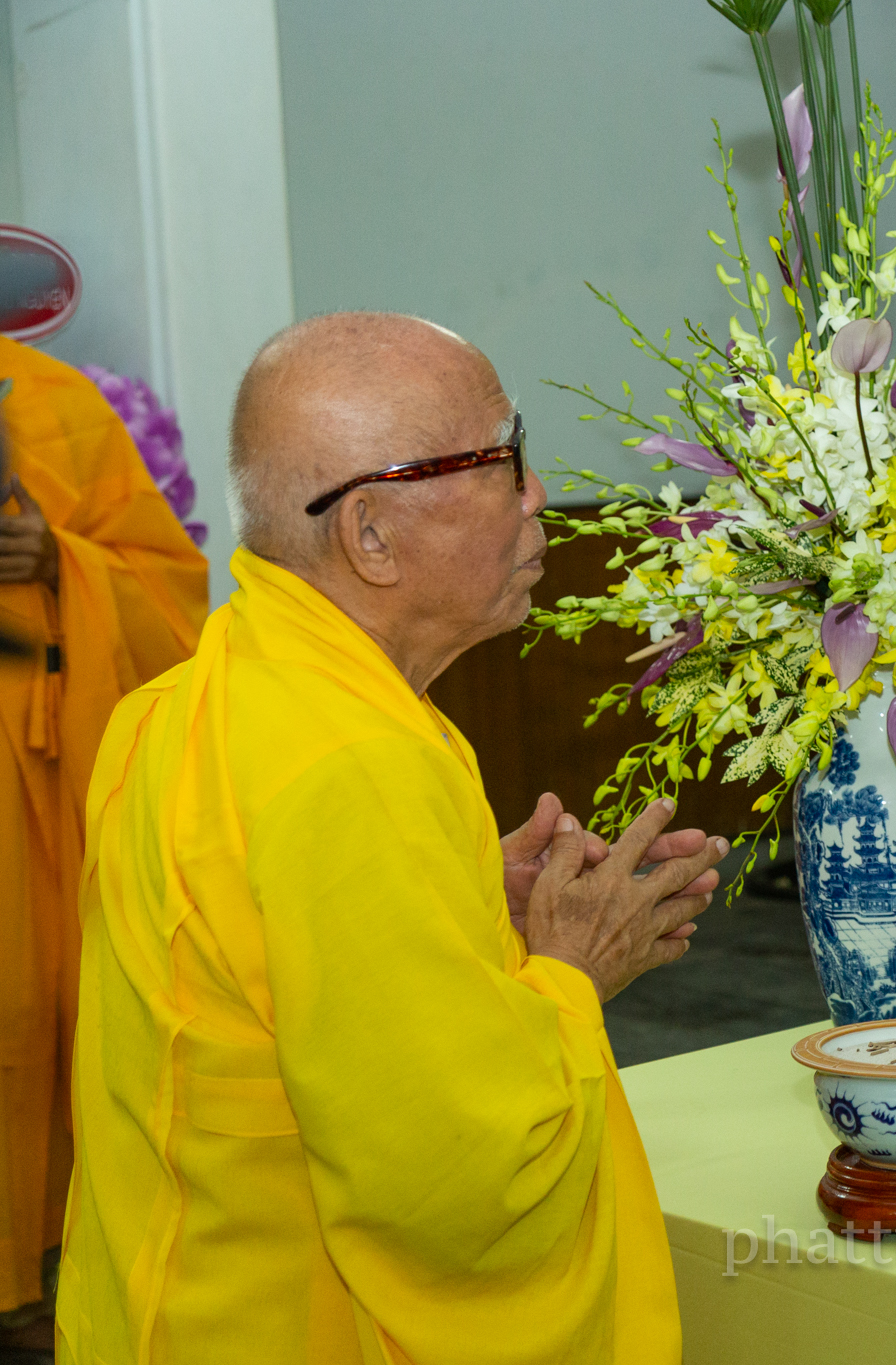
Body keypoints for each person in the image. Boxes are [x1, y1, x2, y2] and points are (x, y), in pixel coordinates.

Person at [57, 313, 724, 1363]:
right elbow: (456, 1178)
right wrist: (568, 970)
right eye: (503, 459)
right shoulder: (352, 764)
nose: (539, 494)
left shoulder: (190, 701)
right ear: (369, 535)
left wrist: (464, 908)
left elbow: (277, 981)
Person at [0, 338, 208, 1349]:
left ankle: (51, 1270)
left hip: (51, 781)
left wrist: (61, 564)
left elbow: (172, 592)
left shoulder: (58, 400)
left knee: (56, 1010)